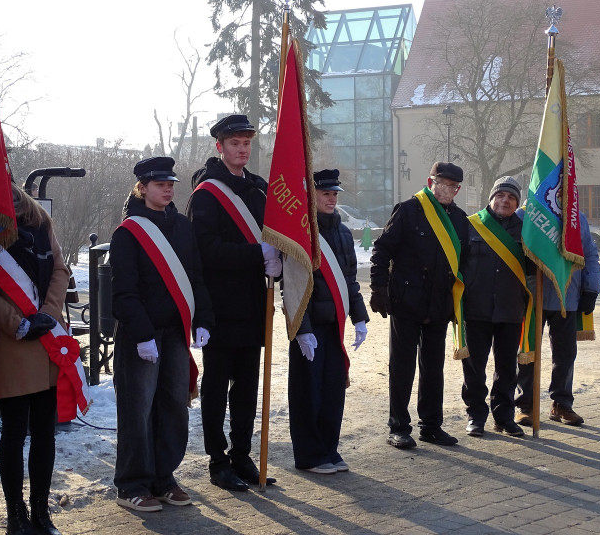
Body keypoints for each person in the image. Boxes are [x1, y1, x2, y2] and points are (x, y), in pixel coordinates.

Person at [110, 157, 214, 511]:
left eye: (170, 183)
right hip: (141, 336)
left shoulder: (183, 227)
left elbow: (197, 277)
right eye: (159, 184)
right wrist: (141, 334)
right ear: (142, 188)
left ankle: (163, 477)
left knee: (174, 407)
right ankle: (131, 484)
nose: (168, 189)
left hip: (174, 333)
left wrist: (203, 319)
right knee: (137, 410)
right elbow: (124, 291)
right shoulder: (127, 233)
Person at [187, 115, 281, 491]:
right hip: (220, 304)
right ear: (219, 147)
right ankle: (217, 460)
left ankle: (242, 455)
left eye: (246, 143)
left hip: (253, 302)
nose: (242, 150)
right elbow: (205, 252)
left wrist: (276, 255)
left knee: (247, 384)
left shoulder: (258, 191)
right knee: (216, 387)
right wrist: (257, 254)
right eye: (234, 144)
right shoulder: (207, 194)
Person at [0, 183, 70, 535]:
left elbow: (60, 270)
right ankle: (16, 517)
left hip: (46, 340)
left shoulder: (40, 219)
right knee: (14, 432)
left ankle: (41, 512)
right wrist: (17, 323)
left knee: (46, 431)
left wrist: (47, 315)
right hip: (11, 342)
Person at [370, 162, 470, 450]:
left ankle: (431, 425)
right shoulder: (409, 210)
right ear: (430, 181)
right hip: (407, 301)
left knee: (433, 368)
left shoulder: (460, 220)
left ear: (458, 189)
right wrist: (378, 288)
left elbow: (464, 264)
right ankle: (398, 426)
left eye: (452, 186)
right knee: (402, 367)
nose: (446, 189)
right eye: (442, 183)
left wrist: (459, 302)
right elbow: (382, 250)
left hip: (439, 304)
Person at [289, 170, 369, 473]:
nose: (332, 199)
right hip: (308, 327)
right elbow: (296, 286)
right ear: (312, 197)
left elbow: (349, 280)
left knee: (333, 389)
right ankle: (310, 455)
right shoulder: (301, 234)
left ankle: (329, 449)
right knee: (308, 392)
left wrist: (359, 317)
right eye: (325, 194)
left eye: (334, 194)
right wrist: (303, 330)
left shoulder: (344, 233)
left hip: (334, 323)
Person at [515, 210, 600, 427]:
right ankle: (525, 405)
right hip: (533, 296)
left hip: (567, 295)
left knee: (565, 354)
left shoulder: (576, 218)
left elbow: (589, 254)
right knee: (528, 352)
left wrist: (591, 289)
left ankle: (561, 404)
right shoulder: (527, 213)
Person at [459, 176, 529, 439]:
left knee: (507, 369)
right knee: (474, 367)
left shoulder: (526, 231)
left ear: (517, 203)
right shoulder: (471, 226)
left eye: (511, 198)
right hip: (476, 308)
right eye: (501, 195)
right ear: (491, 198)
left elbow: (533, 268)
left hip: (511, 309)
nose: (505, 201)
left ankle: (504, 417)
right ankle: (476, 416)